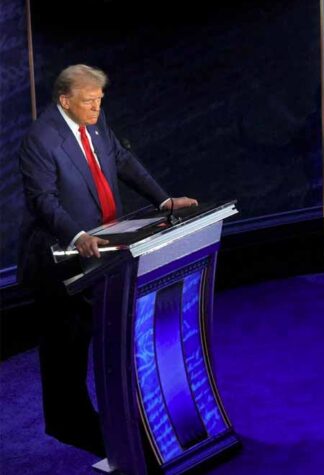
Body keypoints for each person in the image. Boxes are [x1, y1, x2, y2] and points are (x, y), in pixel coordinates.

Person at [17, 64, 198, 457]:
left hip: (105, 252)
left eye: (100, 100)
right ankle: (68, 423)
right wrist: (77, 235)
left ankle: (111, 419)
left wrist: (164, 200)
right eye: (89, 101)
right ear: (65, 100)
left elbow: (122, 160)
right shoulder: (40, 139)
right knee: (66, 345)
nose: (97, 108)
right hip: (60, 259)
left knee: (99, 333)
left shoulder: (96, 122)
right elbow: (43, 200)